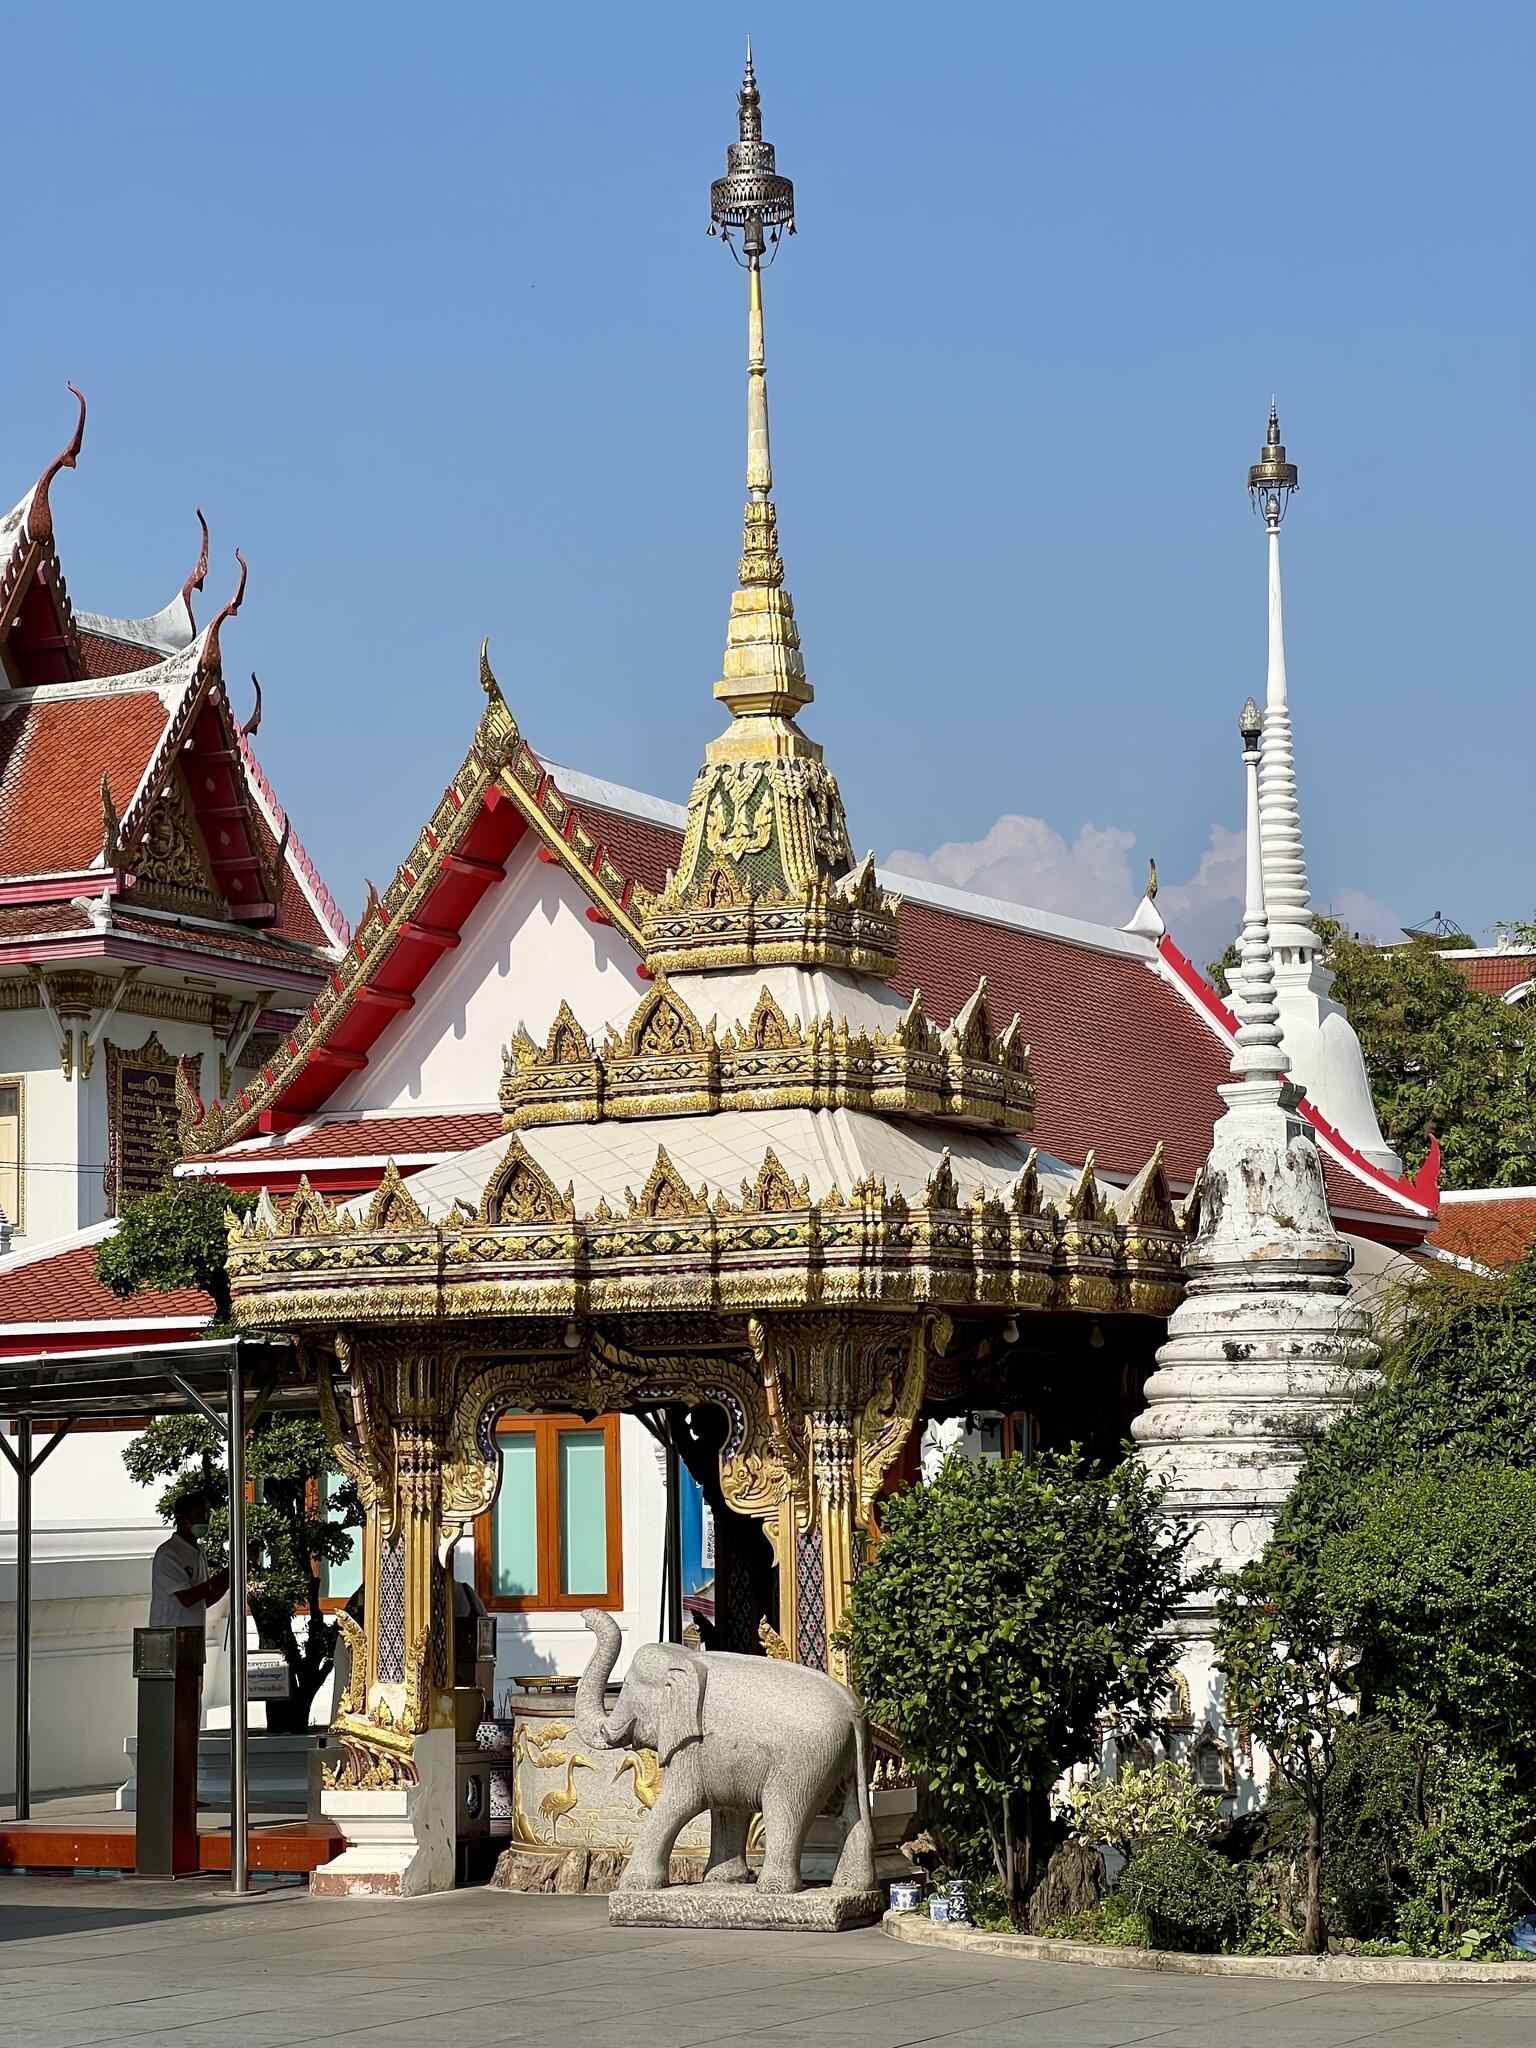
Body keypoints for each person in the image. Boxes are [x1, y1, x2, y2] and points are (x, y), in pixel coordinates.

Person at [148, 1489, 230, 1630]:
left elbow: (204, 1600)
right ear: (182, 1519)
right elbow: (187, 1599)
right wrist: (218, 1579)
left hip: (194, 1632)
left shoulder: (199, 1551)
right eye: (199, 1515)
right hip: (170, 1632)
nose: (205, 1520)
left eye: (206, 1515)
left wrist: (228, 1578)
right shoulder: (168, 1554)